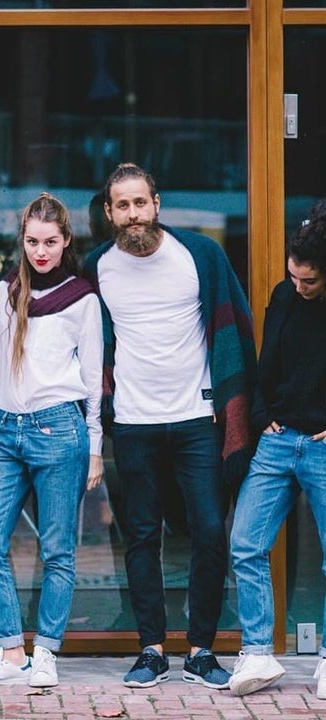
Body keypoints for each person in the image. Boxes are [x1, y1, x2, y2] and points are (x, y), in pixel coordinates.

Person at [84, 163, 257, 690]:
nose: (133, 214)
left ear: (156, 203)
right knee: (140, 536)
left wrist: (231, 403)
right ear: (109, 213)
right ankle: (152, 649)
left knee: (209, 530)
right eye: (122, 206)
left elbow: (236, 331)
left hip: (194, 419)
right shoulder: (96, 268)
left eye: (141, 203)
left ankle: (201, 649)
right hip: (134, 423)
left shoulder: (200, 256)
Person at [0, 192, 104, 689]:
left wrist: (95, 447)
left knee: (58, 550)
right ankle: (9, 652)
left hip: (61, 431)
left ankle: (45, 654)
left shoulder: (82, 298)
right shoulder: (4, 292)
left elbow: (93, 381)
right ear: (21, 241)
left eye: (50, 242)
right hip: (5, 432)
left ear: (66, 242)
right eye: (32, 241)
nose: (41, 251)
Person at [229, 201, 326, 698]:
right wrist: (263, 411)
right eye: (293, 276)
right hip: (278, 437)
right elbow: (267, 359)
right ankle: (259, 653)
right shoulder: (282, 296)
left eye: (308, 280)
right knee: (245, 542)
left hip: (322, 445)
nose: (298, 286)